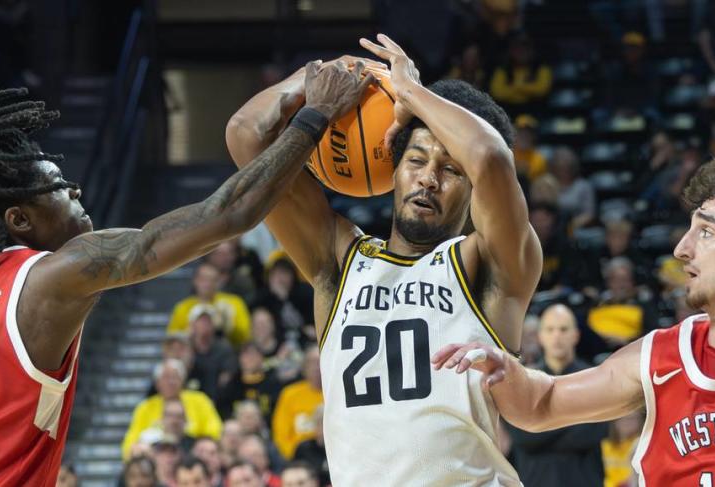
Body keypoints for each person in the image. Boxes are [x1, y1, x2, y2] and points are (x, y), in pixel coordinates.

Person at [0, 69, 374, 485]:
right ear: (20, 220)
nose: (76, 191)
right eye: (60, 189)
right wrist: (314, 117)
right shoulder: (48, 277)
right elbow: (228, 213)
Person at [226, 34, 541, 486]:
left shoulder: (489, 264)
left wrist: (409, 91)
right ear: (392, 170)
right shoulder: (337, 260)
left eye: (451, 169)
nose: (428, 179)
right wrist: (325, 76)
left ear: (474, 190)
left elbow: (491, 156)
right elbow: (245, 134)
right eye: (416, 159)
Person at [434, 152, 715, 485]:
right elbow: (542, 404)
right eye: (688, 230)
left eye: (706, 233)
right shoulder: (658, 355)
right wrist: (507, 369)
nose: (681, 249)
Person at [505, 304, 607, 487]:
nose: (557, 336)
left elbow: (591, 434)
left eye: (563, 329)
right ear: (540, 336)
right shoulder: (525, 381)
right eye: (550, 330)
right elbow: (523, 438)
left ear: (576, 335)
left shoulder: (594, 378)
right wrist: (576, 417)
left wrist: (539, 423)